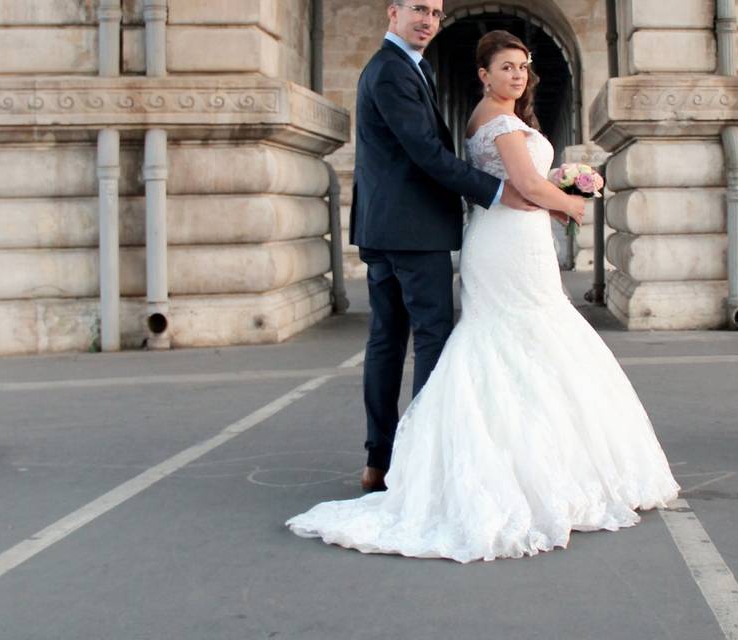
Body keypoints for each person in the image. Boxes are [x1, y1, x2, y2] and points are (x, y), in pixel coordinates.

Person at [286, 30, 680, 563]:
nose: (517, 75)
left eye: (523, 66)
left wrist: (555, 183)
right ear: (484, 74)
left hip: (494, 235)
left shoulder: (467, 103)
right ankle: (433, 462)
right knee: (480, 341)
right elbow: (514, 179)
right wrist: (571, 202)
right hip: (503, 239)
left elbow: (522, 175)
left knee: (497, 344)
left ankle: (407, 458)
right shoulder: (484, 114)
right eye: (506, 67)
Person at [345, 1, 541, 493]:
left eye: (435, 11)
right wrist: (496, 191)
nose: (428, 20)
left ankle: (381, 460)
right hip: (412, 231)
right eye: (418, 9)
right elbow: (425, 153)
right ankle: (423, 461)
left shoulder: (409, 68)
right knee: (432, 339)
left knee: (387, 342)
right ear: (393, 13)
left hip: (385, 227)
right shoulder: (392, 72)